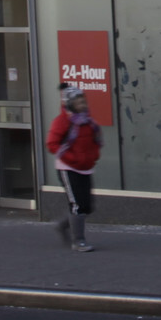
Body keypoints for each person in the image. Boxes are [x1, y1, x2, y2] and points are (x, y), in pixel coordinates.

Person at [46, 85, 102, 251]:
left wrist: (93, 156)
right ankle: (78, 241)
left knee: (87, 206)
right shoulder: (62, 121)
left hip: (85, 167)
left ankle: (62, 225)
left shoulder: (88, 121)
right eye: (78, 102)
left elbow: (95, 141)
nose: (82, 105)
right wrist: (71, 158)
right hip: (68, 168)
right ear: (69, 104)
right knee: (77, 204)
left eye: (83, 101)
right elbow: (52, 144)